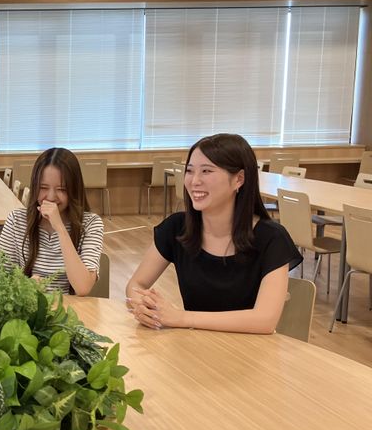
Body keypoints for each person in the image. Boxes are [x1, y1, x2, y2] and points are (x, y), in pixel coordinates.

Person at [126, 133, 302, 334]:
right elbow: (136, 284)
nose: (194, 181)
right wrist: (144, 306)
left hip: (251, 349)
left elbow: (265, 320)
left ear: (239, 179)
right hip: (194, 344)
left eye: (206, 171)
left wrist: (182, 317)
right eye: (189, 171)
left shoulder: (271, 238)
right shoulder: (177, 227)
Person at [0, 148, 104, 295]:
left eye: (61, 189)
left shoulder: (90, 224)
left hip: (70, 308)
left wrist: (60, 228)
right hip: (28, 305)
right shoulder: (17, 220)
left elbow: (83, 287)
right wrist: (25, 286)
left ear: (74, 190)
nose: (51, 197)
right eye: (43, 187)